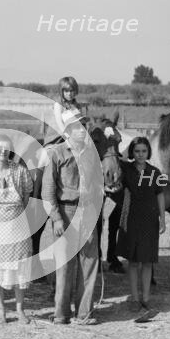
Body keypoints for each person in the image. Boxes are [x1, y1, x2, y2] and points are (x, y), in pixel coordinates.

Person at [42, 112, 102, 325]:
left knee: (89, 263)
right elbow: (48, 191)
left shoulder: (91, 154)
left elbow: (97, 184)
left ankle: (84, 313)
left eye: (84, 125)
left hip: (87, 212)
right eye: (77, 126)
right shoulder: (57, 154)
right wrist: (56, 218)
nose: (82, 129)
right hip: (66, 213)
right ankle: (61, 313)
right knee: (65, 265)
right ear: (67, 130)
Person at [0, 136, 34, 324]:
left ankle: (20, 309)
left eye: (7, 148)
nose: (3, 151)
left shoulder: (20, 171)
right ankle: (1, 309)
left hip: (17, 223)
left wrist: (15, 213)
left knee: (19, 266)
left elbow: (27, 194)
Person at [116, 137, 166, 312]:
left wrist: (163, 218)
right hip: (131, 218)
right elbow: (116, 159)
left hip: (150, 219)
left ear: (148, 152)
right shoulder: (126, 169)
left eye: (144, 151)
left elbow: (160, 195)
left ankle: (146, 297)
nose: (140, 154)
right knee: (133, 261)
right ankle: (135, 298)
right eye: (136, 151)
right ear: (132, 152)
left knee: (147, 261)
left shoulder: (155, 172)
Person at [43, 76, 84, 147]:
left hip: (74, 136)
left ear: (75, 91)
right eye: (66, 91)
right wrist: (68, 137)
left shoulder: (76, 105)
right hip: (57, 136)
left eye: (71, 91)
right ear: (62, 91)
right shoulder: (58, 104)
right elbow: (60, 123)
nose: (69, 93)